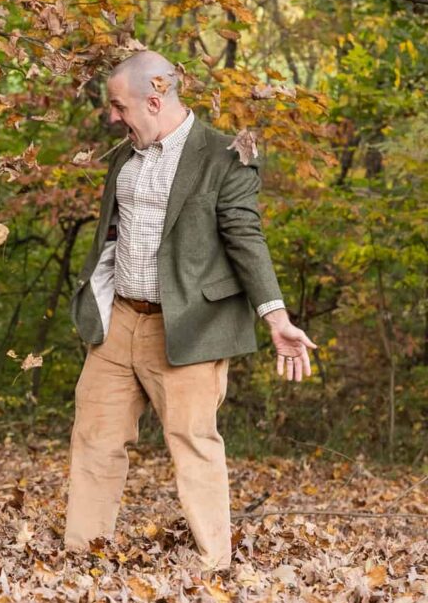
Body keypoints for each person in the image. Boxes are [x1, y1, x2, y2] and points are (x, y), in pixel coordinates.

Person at [67, 51, 317, 569]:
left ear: (154, 101)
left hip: (188, 329)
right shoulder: (124, 156)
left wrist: (275, 317)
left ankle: (213, 564)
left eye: (119, 106)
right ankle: (82, 555)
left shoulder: (225, 155)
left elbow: (245, 235)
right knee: (94, 436)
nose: (113, 117)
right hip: (118, 322)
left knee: (192, 442)